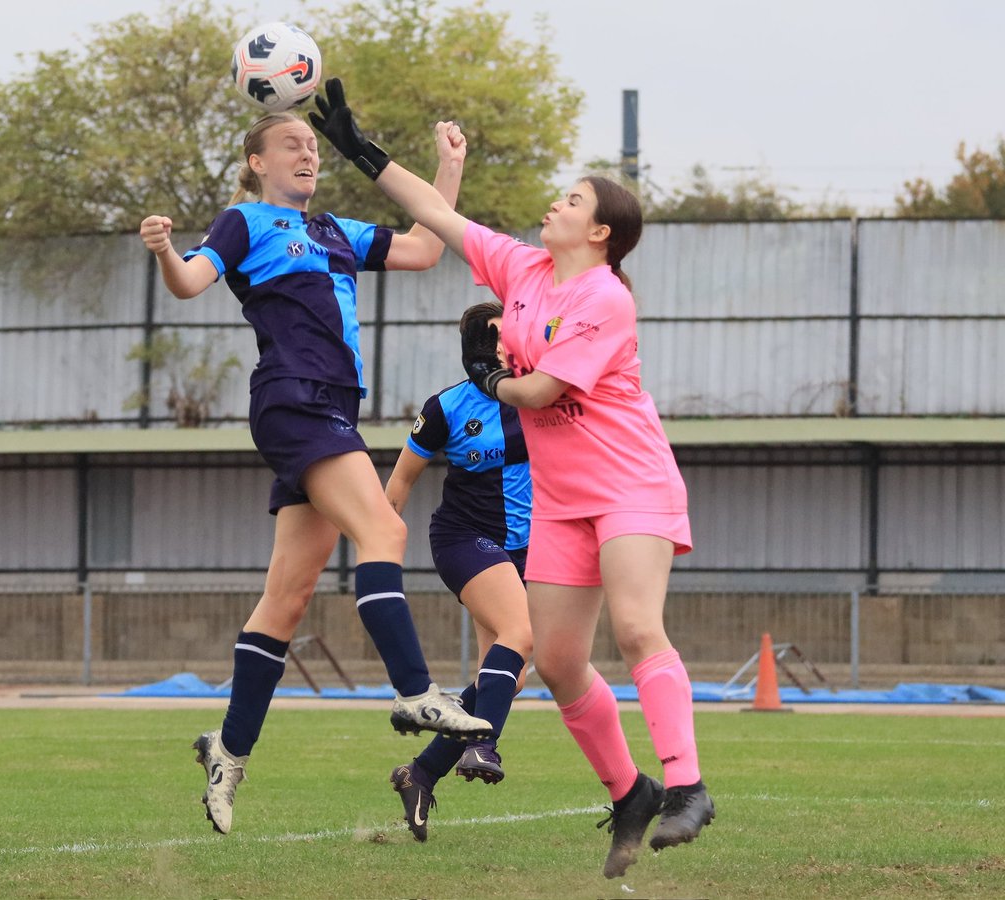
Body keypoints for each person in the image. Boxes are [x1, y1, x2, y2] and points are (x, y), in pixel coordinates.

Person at [309, 79, 715, 878]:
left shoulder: (604, 298)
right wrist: (364, 154)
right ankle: (630, 792)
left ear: (599, 231)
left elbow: (540, 391)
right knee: (555, 661)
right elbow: (437, 215)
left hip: (630, 483)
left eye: (572, 199)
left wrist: (491, 378)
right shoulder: (525, 270)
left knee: (637, 628)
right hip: (562, 501)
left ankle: (688, 786)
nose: (554, 204)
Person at [138, 110, 494, 836]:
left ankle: (228, 750)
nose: (307, 154)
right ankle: (415, 691)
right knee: (383, 529)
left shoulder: (334, 229)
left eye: (311, 146)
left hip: (330, 408)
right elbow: (189, 283)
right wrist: (167, 251)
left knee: (288, 598)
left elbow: (427, 247)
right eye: (290, 145)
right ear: (256, 161)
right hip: (294, 400)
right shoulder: (243, 221)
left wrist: (449, 165)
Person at [384, 300, 532, 842]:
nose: (506, 346)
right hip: (464, 539)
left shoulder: (537, 398)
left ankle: (420, 773)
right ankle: (483, 746)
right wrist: (378, 557)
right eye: (496, 337)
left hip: (525, 550)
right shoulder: (446, 407)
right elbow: (400, 482)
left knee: (509, 676)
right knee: (520, 633)